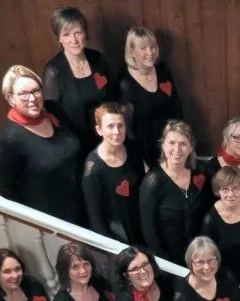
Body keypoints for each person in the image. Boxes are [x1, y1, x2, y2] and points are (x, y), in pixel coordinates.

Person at [0, 65, 83, 225]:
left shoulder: (54, 111)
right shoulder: (9, 139)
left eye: (35, 90)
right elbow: (7, 190)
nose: (32, 99)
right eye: (23, 94)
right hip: (51, 218)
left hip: (79, 202)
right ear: (10, 99)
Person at [42, 7, 114, 166]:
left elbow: (111, 97)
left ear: (85, 33)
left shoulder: (99, 60)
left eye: (78, 32)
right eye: (66, 34)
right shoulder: (53, 70)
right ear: (59, 38)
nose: (73, 40)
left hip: (106, 135)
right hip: (75, 142)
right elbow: (52, 115)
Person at [139, 120, 208, 265]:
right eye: (171, 143)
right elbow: (149, 231)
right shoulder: (153, 181)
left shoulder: (200, 171)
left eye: (183, 143)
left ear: (191, 148)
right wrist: (165, 264)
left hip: (199, 255)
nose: (177, 149)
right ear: (163, 145)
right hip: (168, 260)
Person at [117, 26, 184, 170]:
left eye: (152, 46)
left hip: (172, 142)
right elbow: (127, 128)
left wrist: (183, 140)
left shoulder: (163, 71)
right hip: (146, 149)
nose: (150, 52)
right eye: (143, 48)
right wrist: (140, 160)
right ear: (132, 52)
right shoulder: (125, 84)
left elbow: (176, 106)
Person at [82, 103, 145, 243]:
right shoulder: (93, 169)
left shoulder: (134, 150)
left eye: (120, 125)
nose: (117, 132)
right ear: (99, 130)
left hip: (139, 225)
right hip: (116, 234)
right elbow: (95, 217)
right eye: (110, 126)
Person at [201, 166, 240, 283]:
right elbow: (209, 257)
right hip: (222, 276)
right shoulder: (210, 219)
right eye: (225, 189)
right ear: (218, 191)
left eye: (235, 188)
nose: (230, 194)